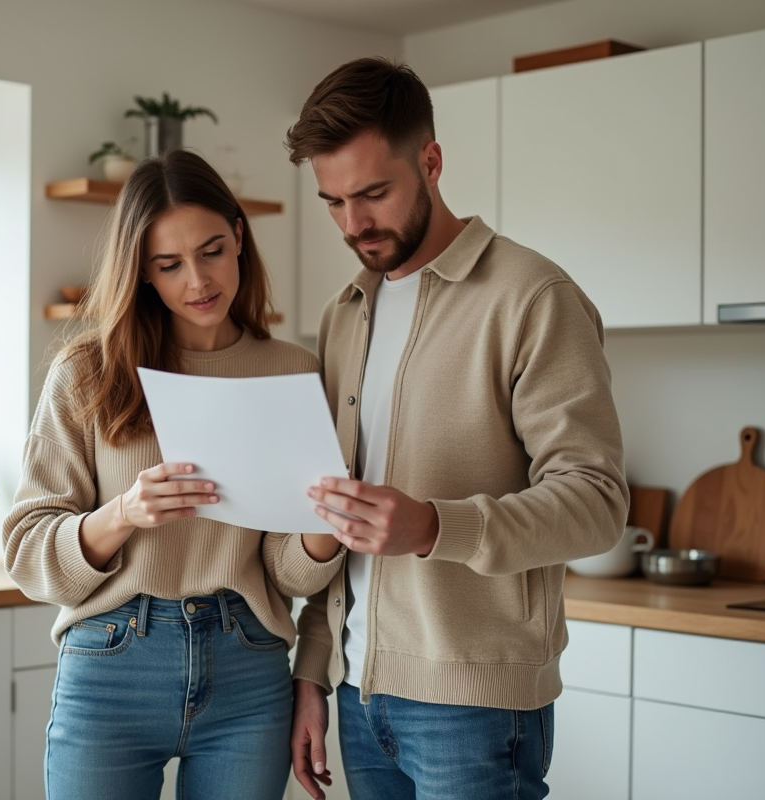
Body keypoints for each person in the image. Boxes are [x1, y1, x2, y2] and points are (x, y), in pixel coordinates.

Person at [285, 57, 629, 800]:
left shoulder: (532, 296)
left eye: (374, 194)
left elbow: (597, 500)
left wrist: (436, 527)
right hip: (358, 691)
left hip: (476, 708)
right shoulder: (345, 312)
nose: (354, 225)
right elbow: (332, 513)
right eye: (334, 201)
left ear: (432, 162)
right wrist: (314, 670)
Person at [2, 149, 344, 800]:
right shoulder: (87, 371)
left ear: (240, 236)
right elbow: (26, 552)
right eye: (169, 264)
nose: (199, 280)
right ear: (143, 273)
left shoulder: (293, 372)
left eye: (212, 250)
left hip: (250, 665)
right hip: (112, 662)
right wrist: (123, 514)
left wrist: (323, 531)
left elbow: (287, 574)